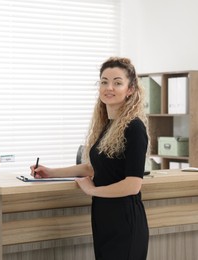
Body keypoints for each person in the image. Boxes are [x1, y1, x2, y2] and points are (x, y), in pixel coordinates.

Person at [31, 57, 149, 260]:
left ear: (130, 89)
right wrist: (50, 172)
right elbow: (93, 168)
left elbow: (133, 184)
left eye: (117, 82)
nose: (109, 87)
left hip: (125, 222)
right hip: (104, 219)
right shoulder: (108, 126)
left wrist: (92, 190)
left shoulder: (134, 128)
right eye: (104, 81)